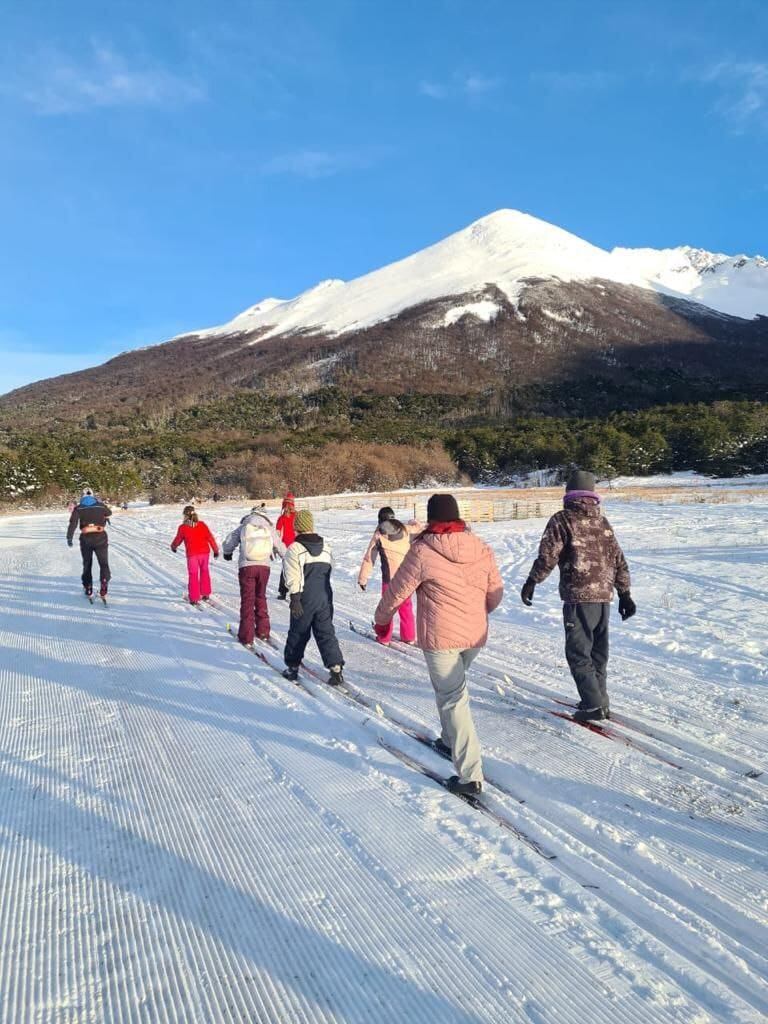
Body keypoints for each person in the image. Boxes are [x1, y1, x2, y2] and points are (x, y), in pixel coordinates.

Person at [374, 494, 503, 796]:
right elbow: (495, 594)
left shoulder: (421, 550)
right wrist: (476, 612)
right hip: (474, 635)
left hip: (442, 638)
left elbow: (396, 592)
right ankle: (448, 740)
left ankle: (470, 776)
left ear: (432, 519)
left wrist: (382, 620)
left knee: (453, 699)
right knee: (453, 690)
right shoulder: (481, 547)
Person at [520, 469, 636, 723]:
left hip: (579, 596)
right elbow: (618, 559)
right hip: (604, 597)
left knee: (578, 652)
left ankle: (593, 705)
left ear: (569, 493)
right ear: (592, 495)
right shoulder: (602, 522)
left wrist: (532, 581)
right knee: (597, 652)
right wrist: (624, 593)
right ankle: (599, 700)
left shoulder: (563, 519)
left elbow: (548, 556)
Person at [282, 509, 345, 685]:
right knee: (326, 632)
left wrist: (295, 599)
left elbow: (293, 576)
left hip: (304, 597)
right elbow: (331, 568)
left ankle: (292, 667)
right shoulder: (326, 547)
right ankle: (336, 668)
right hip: (324, 596)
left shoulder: (295, 549)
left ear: (297, 527)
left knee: (298, 632)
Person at [222, 506, 286, 646]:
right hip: (264, 567)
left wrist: (227, 553)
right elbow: (280, 546)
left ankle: (246, 636)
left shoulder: (245, 525)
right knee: (261, 597)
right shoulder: (268, 527)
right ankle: (263, 631)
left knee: (247, 600)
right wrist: (287, 559)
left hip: (247, 567)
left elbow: (229, 541)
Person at [358, 506, 417, 645]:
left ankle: (384, 638)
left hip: (389, 579)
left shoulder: (379, 534)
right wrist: (414, 522)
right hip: (406, 577)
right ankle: (409, 636)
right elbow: (418, 528)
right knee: (406, 606)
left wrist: (363, 578)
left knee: (387, 610)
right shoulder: (405, 529)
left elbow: (369, 558)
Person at [67, 488, 113, 599]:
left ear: (81, 496)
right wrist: (101, 507)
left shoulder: (78, 508)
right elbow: (109, 513)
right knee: (103, 563)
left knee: (87, 564)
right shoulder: (100, 505)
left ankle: (88, 588)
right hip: (100, 537)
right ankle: (104, 585)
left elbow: (73, 523)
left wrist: (69, 538)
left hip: (86, 538)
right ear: (93, 495)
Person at [170, 505, 219, 605]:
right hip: (205, 553)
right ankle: (205, 594)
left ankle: (194, 598)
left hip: (192, 554)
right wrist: (215, 550)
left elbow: (178, 539)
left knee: (193, 575)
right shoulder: (202, 524)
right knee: (205, 572)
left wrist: (173, 546)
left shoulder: (183, 527)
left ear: (184, 515)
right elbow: (210, 537)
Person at [275, 493, 297, 600]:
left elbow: (277, 534)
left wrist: (276, 546)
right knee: (297, 569)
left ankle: (283, 592)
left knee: (285, 570)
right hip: (297, 546)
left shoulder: (281, 518)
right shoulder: (297, 516)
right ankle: (296, 591)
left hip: (285, 547)